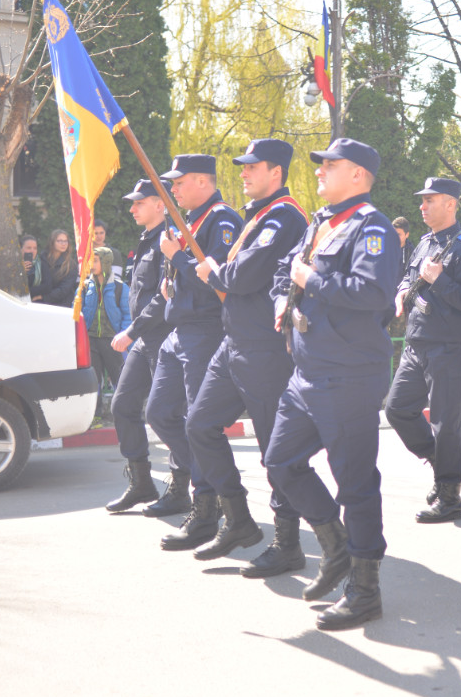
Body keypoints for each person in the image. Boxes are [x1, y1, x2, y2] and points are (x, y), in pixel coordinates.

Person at [265, 138, 400, 631]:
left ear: (359, 175)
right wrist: (285, 295)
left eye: (330, 165)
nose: (319, 172)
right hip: (306, 370)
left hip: (348, 374)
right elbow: (289, 271)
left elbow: (372, 293)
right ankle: (335, 545)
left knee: (356, 484)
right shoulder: (322, 223)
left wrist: (311, 279)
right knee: (280, 461)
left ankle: (366, 589)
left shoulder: (373, 229)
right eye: (320, 165)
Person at [184, 139, 311, 568]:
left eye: (252, 167)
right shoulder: (256, 215)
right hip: (234, 342)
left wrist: (213, 271)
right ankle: (237, 519)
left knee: (275, 450)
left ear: (276, 172)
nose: (243, 173)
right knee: (200, 425)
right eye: (243, 167)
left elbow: (243, 275)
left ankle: (289, 543)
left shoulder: (284, 217)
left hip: (266, 349)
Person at [141, 154, 244, 552]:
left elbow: (215, 280)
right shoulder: (190, 219)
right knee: (160, 412)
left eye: (180, 182)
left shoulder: (222, 220)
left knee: (197, 421)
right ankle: (208, 480)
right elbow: (186, 274)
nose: (174, 189)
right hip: (178, 328)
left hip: (204, 330)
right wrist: (173, 278)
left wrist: (177, 259)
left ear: (203, 180)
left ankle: (206, 505)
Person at [386, 178, 461, 524]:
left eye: (430, 200)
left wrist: (439, 281)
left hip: (449, 347)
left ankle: (449, 494)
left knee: (447, 424)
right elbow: (407, 277)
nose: (422, 206)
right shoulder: (424, 243)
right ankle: (437, 461)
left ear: (451, 204)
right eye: (422, 200)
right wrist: (402, 291)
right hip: (417, 344)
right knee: (397, 409)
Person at [105, 179, 174, 513]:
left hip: (163, 338)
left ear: (160, 204)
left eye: (139, 203)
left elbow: (164, 296)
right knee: (122, 406)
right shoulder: (147, 239)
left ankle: (183, 489)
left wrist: (131, 330)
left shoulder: (169, 240)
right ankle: (142, 483)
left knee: (168, 415)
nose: (132, 209)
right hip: (144, 339)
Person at [81, 246, 131, 422]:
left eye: (96, 260)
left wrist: (124, 336)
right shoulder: (85, 285)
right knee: (93, 380)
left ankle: (127, 413)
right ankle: (94, 415)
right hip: (91, 340)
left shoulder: (119, 288)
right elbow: (77, 311)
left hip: (113, 340)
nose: (91, 264)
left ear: (106, 262)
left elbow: (127, 315)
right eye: (91, 260)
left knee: (120, 377)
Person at [41, 229, 80, 308]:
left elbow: (64, 289)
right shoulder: (41, 260)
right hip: (42, 306)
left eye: (66, 241)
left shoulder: (71, 265)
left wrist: (43, 297)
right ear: (52, 242)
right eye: (59, 241)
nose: (63, 244)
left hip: (63, 306)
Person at [21, 235, 45, 301]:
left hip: (36, 302)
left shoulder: (41, 264)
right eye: (29, 248)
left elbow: (47, 286)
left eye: (35, 248)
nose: (32, 251)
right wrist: (21, 272)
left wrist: (29, 293)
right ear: (21, 249)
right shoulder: (15, 264)